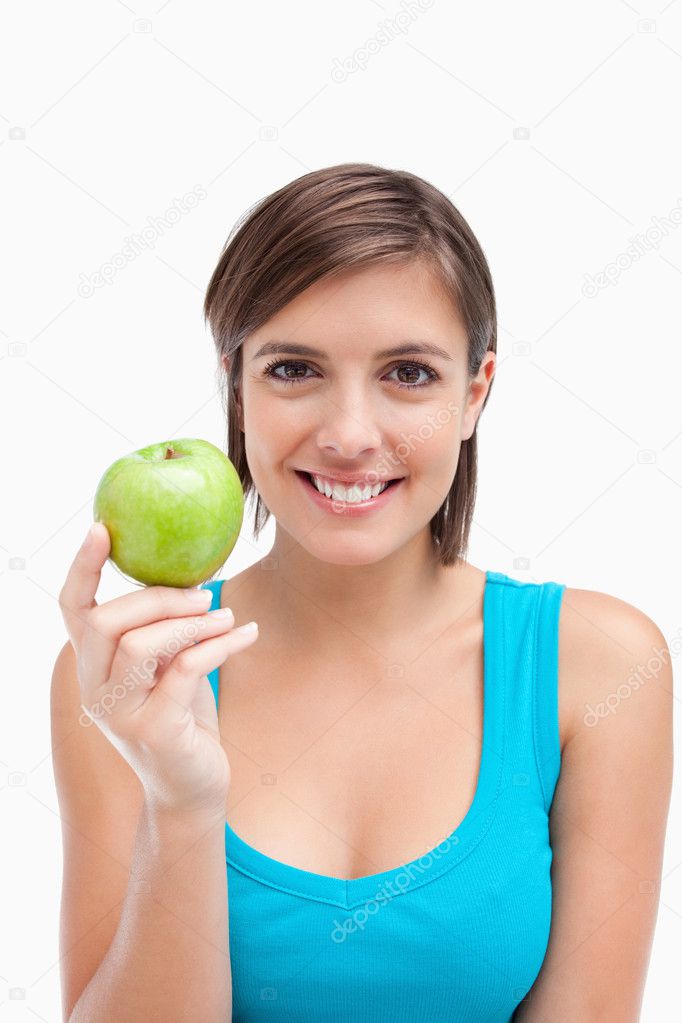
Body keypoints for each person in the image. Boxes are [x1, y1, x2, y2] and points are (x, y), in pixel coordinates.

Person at [52, 163, 673, 1022]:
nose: (348, 434)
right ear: (237, 387)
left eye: (409, 373)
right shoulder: (135, 675)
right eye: (295, 368)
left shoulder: (596, 668)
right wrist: (182, 801)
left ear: (475, 393)